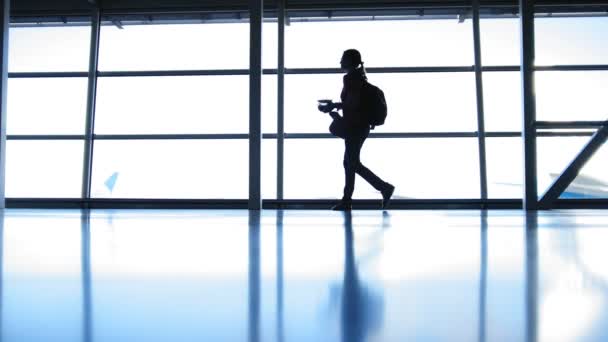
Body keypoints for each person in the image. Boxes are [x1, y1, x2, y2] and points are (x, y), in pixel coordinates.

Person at [319, 49, 394, 211]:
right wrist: (336, 107)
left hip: (355, 127)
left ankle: (373, 191)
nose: (340, 62)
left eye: (343, 59)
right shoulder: (358, 79)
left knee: (351, 163)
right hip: (359, 126)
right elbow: (354, 105)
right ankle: (374, 191)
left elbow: (352, 106)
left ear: (350, 62)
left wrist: (333, 106)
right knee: (351, 163)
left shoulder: (352, 80)